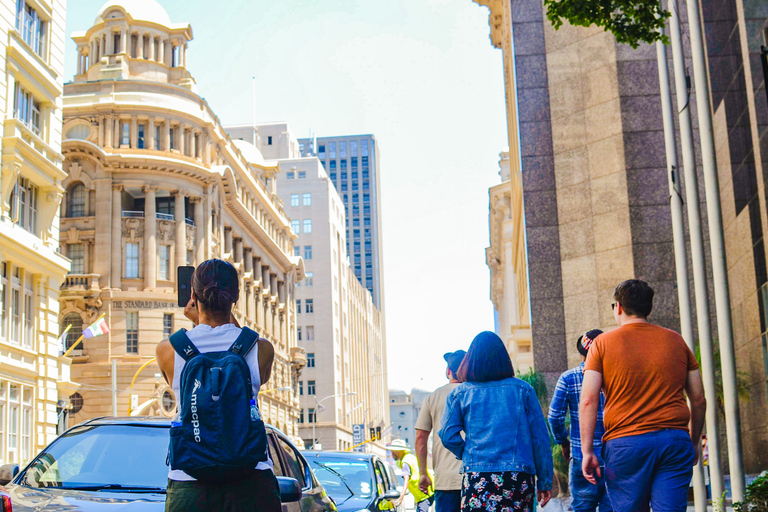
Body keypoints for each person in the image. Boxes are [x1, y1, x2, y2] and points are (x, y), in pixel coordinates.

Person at [156, 259, 278, 512]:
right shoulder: (261, 349)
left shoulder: (168, 349)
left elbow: (176, 382)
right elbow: (244, 348)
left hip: (189, 482)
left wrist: (197, 321)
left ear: (192, 294)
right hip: (251, 480)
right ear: (236, 297)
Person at [580, 279, 706, 512]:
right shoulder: (676, 341)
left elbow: (588, 400)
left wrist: (587, 451)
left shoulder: (601, 344)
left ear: (618, 307)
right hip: (674, 442)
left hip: (626, 444)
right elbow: (698, 398)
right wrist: (694, 439)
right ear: (649, 308)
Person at [439, 331, 553, 512]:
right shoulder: (524, 390)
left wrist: (467, 452)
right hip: (517, 479)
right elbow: (540, 439)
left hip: (477, 478)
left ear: (471, 361)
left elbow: (447, 435)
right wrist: (545, 481)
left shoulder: (460, 393)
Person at [548, 330, 612, 512]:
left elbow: (554, 416)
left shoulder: (568, 378)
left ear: (581, 352)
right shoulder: (616, 377)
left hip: (581, 457)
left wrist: (563, 442)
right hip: (614, 456)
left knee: (582, 508)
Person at [414, 350, 467, 512]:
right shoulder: (477, 393)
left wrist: (423, 473)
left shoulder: (433, 397)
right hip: (476, 478)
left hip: (446, 481)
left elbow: (420, 438)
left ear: (448, 371)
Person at [388, 438, 435, 512]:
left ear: (397, 451)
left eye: (392, 451)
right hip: (427, 492)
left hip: (424, 494)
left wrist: (401, 495)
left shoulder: (405, 462)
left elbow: (406, 479)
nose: (391, 454)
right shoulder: (410, 457)